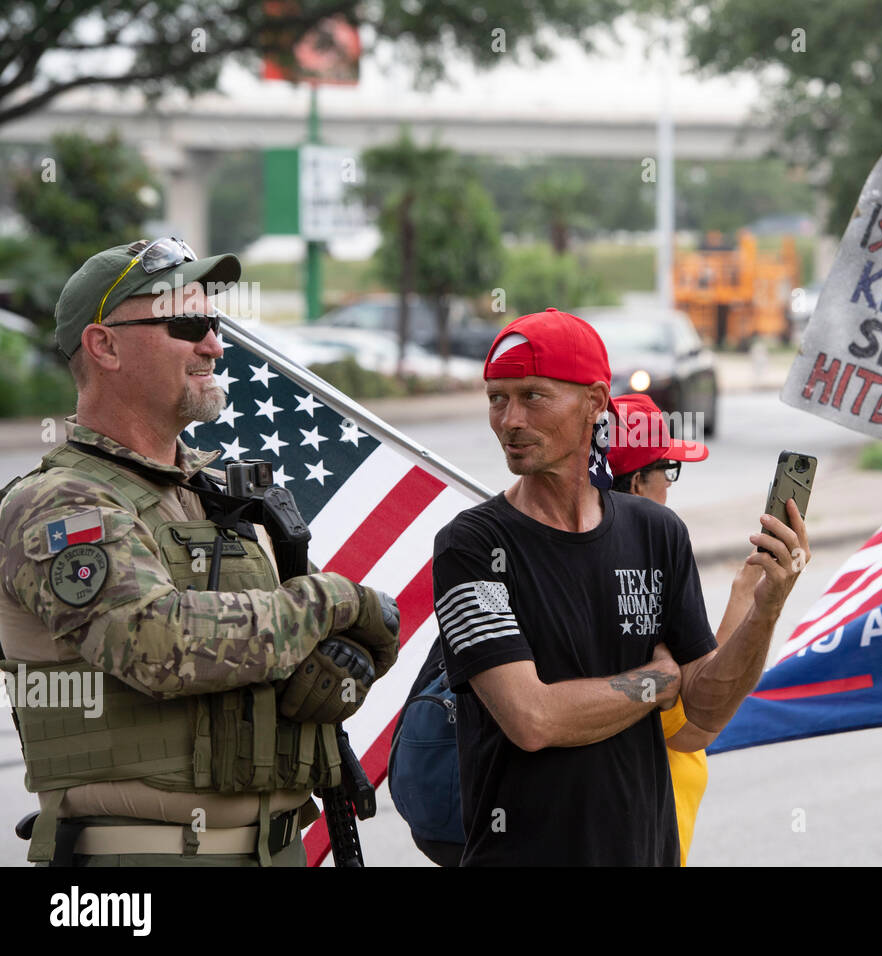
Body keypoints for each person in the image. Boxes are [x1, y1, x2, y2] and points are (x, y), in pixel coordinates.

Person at [0, 238, 400, 867]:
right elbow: (153, 644)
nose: (214, 344)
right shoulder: (59, 505)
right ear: (104, 346)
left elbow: (332, 639)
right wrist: (329, 603)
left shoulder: (218, 499)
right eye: (187, 325)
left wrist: (347, 651)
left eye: (214, 323)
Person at [433, 308, 810, 866]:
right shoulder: (470, 546)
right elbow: (532, 719)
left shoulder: (655, 531)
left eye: (532, 395)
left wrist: (765, 609)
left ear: (594, 402)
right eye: (496, 397)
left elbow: (704, 712)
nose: (509, 419)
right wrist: (655, 683)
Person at [607, 392, 762, 865]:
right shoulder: (644, 569)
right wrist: (761, 608)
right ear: (637, 482)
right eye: (667, 472)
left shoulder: (579, 558)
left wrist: (742, 593)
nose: (670, 488)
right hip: (644, 839)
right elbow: (695, 724)